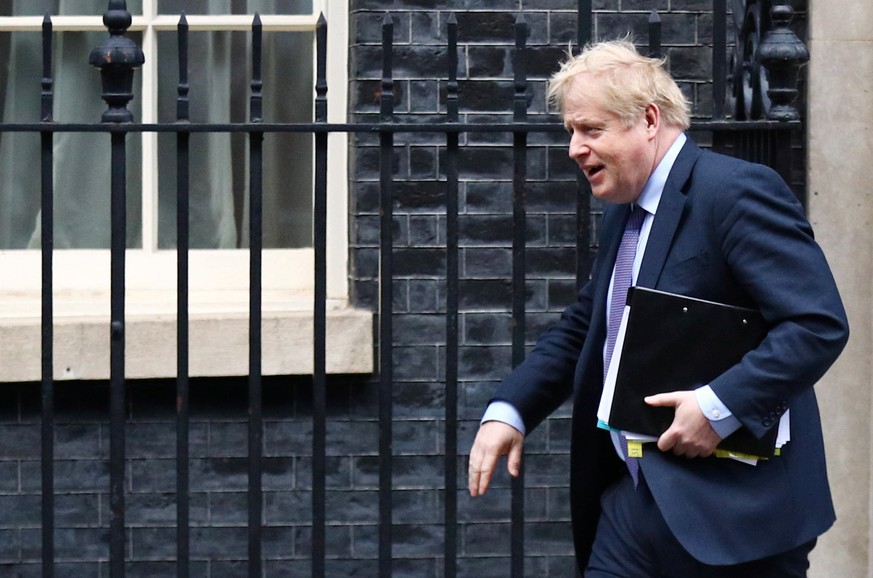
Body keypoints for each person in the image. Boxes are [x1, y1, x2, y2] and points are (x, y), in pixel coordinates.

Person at [467, 39, 849, 577]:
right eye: (571, 132)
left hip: (737, 522)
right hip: (633, 508)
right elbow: (589, 328)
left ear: (648, 120)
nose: (575, 148)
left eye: (591, 130)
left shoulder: (735, 192)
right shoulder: (627, 210)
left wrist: (719, 407)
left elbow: (817, 323)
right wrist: (511, 409)